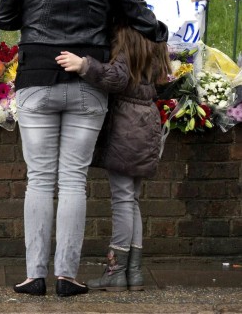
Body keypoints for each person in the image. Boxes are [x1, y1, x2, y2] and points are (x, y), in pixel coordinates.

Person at [0, 0, 167, 298]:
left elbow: (2, 16)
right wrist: (156, 31)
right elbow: (142, 18)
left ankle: (35, 275)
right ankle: (67, 276)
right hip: (89, 84)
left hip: (37, 77)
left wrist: (30, 9)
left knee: (39, 179)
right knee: (72, 180)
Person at [55, 24, 171, 292]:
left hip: (126, 124)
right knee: (131, 200)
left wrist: (85, 65)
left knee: (122, 199)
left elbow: (115, 78)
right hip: (147, 120)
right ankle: (134, 273)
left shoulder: (126, 49)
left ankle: (116, 270)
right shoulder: (154, 48)